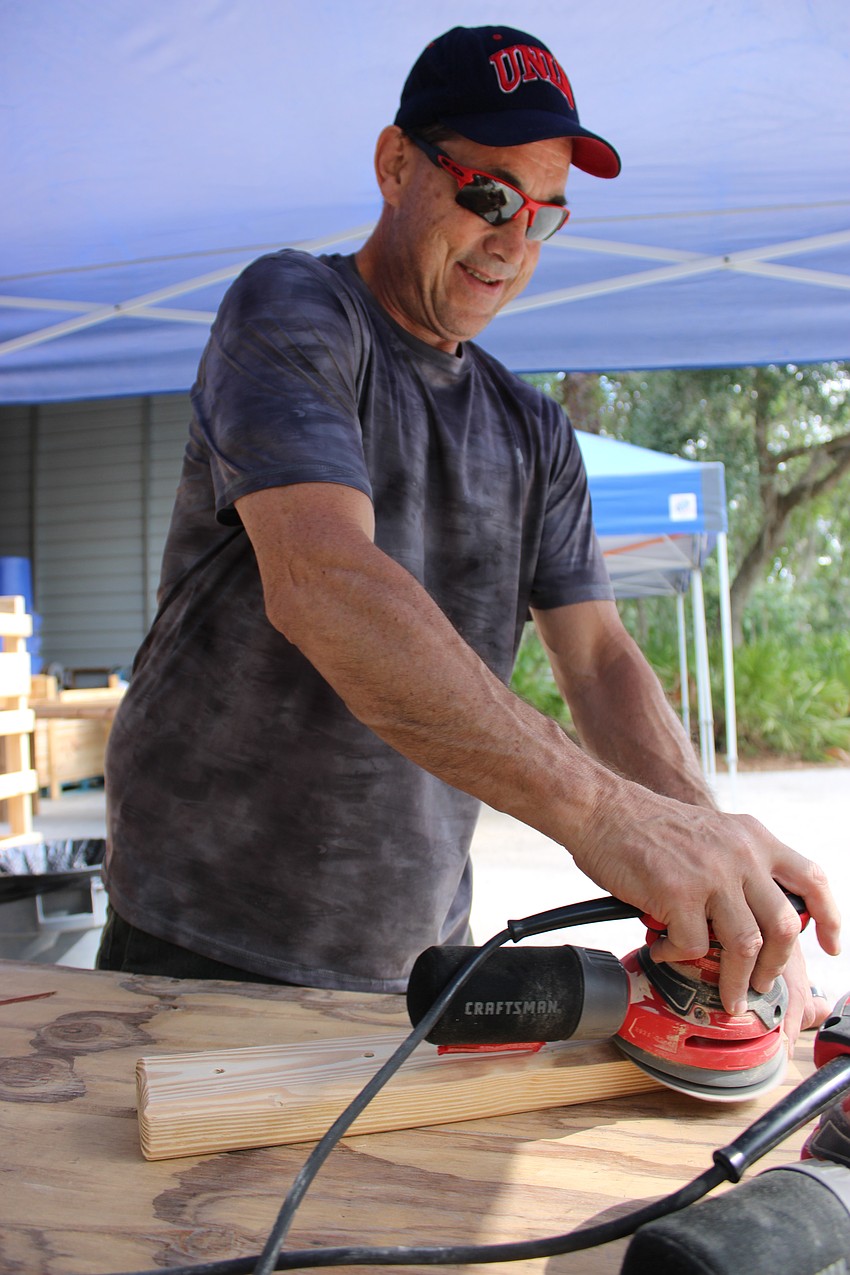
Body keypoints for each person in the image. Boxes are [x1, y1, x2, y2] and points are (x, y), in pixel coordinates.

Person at [98, 24, 839, 1043]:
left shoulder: (534, 430)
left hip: (418, 950)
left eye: (544, 215)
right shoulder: (295, 311)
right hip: (205, 930)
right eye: (489, 196)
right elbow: (324, 579)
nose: (512, 242)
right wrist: (606, 817)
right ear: (395, 164)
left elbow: (599, 661)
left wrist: (716, 866)